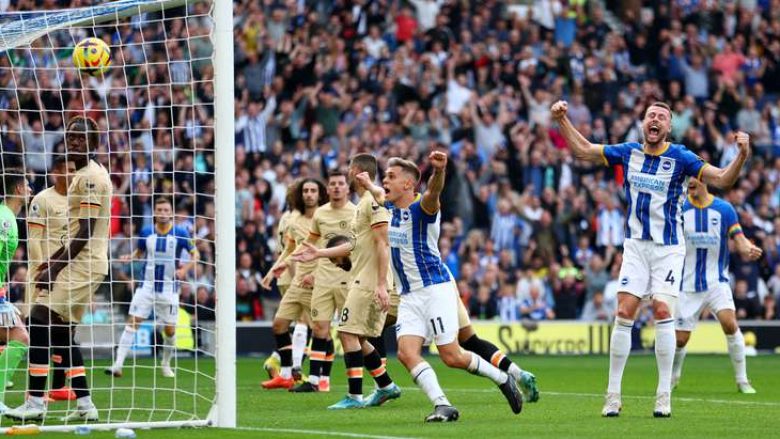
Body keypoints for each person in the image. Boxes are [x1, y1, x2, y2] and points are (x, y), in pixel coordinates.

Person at [550, 100, 750, 417]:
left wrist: (742, 155)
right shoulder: (630, 151)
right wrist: (562, 120)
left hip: (669, 248)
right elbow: (584, 150)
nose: (655, 120)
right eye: (650, 116)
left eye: (661, 117)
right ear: (643, 123)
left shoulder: (681, 157)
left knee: (660, 309)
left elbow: (723, 179)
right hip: (636, 247)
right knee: (624, 310)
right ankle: (612, 395)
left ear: (668, 127)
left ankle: (663, 395)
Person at [356, 153, 524, 422]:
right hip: (409, 295)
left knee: (452, 355)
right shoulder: (390, 205)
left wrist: (440, 171)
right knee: (406, 353)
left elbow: (434, 191)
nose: (384, 179)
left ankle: (503, 379)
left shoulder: (423, 207)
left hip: (435, 289)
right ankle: (442, 405)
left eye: (391, 176)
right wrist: (366, 183)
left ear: (409, 184)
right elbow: (378, 193)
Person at [7, 115, 113, 422]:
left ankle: (36, 403)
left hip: (84, 264)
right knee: (63, 333)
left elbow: (87, 230)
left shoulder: (90, 177)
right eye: (72, 137)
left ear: (94, 144)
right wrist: (52, 264)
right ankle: (85, 405)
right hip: (79, 264)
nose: (76, 142)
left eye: (82, 139)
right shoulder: (82, 175)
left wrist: (55, 268)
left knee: (39, 320)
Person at [292, 154, 401, 409]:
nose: (347, 174)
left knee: (347, 334)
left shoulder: (372, 203)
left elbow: (382, 242)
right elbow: (352, 245)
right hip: (359, 279)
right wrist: (319, 252)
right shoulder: (363, 203)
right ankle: (386, 386)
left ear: (356, 171)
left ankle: (355, 396)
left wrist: (381, 284)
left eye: (350, 170)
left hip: (369, 281)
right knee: (358, 337)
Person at [672, 177, 762, 393]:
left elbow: (738, 237)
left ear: (704, 180)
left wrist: (746, 247)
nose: (688, 184)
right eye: (686, 180)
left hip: (716, 282)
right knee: (681, 340)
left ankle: (742, 381)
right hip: (687, 284)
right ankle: (673, 377)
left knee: (730, 324)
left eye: (692, 178)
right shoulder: (680, 207)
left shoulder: (724, 209)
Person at [104, 197, 198, 378]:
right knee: (133, 323)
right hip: (146, 287)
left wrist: (184, 270)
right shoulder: (146, 232)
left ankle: (165, 363)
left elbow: (195, 254)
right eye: (159, 210)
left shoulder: (181, 233)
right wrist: (129, 257)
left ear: (171, 213)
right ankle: (117, 364)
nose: (162, 213)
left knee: (170, 330)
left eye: (166, 210)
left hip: (169, 289)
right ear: (155, 212)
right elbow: (140, 253)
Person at [290, 171, 355, 393]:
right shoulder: (320, 214)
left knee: (350, 333)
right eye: (333, 184)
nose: (336, 187)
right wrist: (290, 259)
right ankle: (315, 382)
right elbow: (310, 241)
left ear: (347, 188)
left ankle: (355, 384)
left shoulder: (356, 213)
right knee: (319, 328)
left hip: (348, 279)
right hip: (324, 279)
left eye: (340, 184)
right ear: (327, 189)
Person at [261, 179, 326, 390]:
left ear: (319, 194)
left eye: (312, 190)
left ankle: (319, 379)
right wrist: (275, 270)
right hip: (296, 279)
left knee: (320, 329)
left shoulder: (325, 217)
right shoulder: (293, 220)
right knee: (280, 324)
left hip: (320, 281)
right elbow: (290, 249)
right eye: (305, 191)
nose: (308, 194)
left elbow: (331, 250)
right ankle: (288, 373)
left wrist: (317, 274)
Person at [26, 155, 79, 402]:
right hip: (45, 276)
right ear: (55, 172)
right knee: (39, 332)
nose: (71, 174)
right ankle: (34, 392)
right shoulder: (42, 199)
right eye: (67, 169)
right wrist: (40, 270)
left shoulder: (79, 202)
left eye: (74, 170)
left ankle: (57, 389)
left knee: (66, 333)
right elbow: (35, 239)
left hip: (70, 277)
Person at [261, 186, 309, 382]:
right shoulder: (297, 219)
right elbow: (293, 251)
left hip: (285, 275)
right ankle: (294, 368)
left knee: (296, 324)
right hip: (293, 273)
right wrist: (297, 276)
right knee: (304, 322)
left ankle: (278, 361)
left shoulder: (285, 217)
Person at [0, 171, 31, 414]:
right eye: (28, 185)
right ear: (19, 189)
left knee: (19, 337)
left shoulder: (8, 216)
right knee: (20, 337)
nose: (31, 189)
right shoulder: (5, 219)